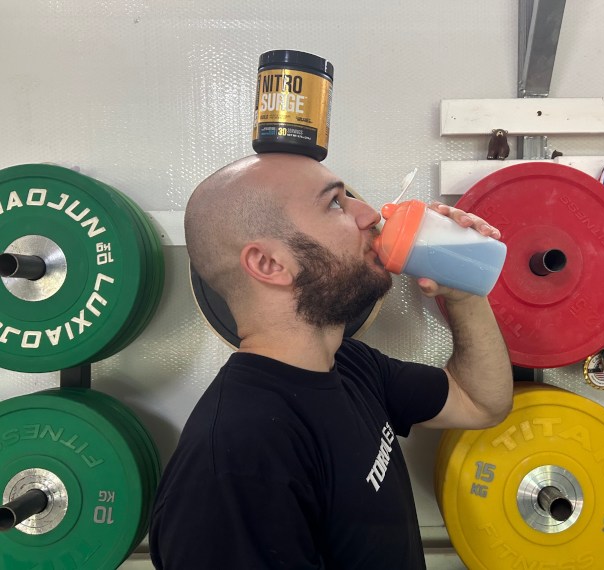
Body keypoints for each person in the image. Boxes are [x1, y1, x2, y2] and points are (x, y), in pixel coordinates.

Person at [149, 153, 513, 569]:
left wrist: (463, 292)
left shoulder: (349, 364)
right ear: (268, 263)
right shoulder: (233, 463)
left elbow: (480, 401)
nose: (369, 214)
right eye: (336, 203)